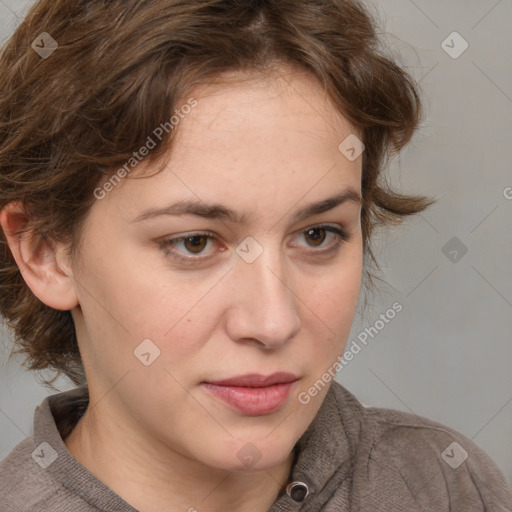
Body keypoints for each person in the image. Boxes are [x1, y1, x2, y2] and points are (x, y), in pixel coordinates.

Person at [0, 0, 511, 511]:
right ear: (45, 251)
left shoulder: (445, 487)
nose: (273, 322)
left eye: (317, 235)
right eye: (194, 242)